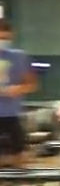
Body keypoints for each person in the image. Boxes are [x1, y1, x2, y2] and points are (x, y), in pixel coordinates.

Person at [0, 20, 38, 168]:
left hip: (11, 115)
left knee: (19, 157)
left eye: (5, 38)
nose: (2, 42)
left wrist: (17, 89)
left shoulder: (18, 57)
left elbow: (32, 84)